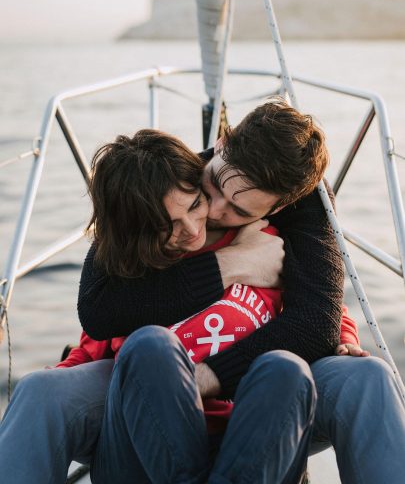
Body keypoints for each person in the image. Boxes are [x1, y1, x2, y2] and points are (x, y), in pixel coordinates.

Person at [0, 100, 403, 482]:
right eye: (210, 190)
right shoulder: (161, 190)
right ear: (221, 144)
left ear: (280, 206)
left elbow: (317, 322)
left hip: (256, 377)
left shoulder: (304, 212)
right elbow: (98, 309)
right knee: (43, 390)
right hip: (152, 374)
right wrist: (232, 265)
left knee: (365, 377)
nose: (210, 213)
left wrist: (208, 376)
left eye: (239, 210)